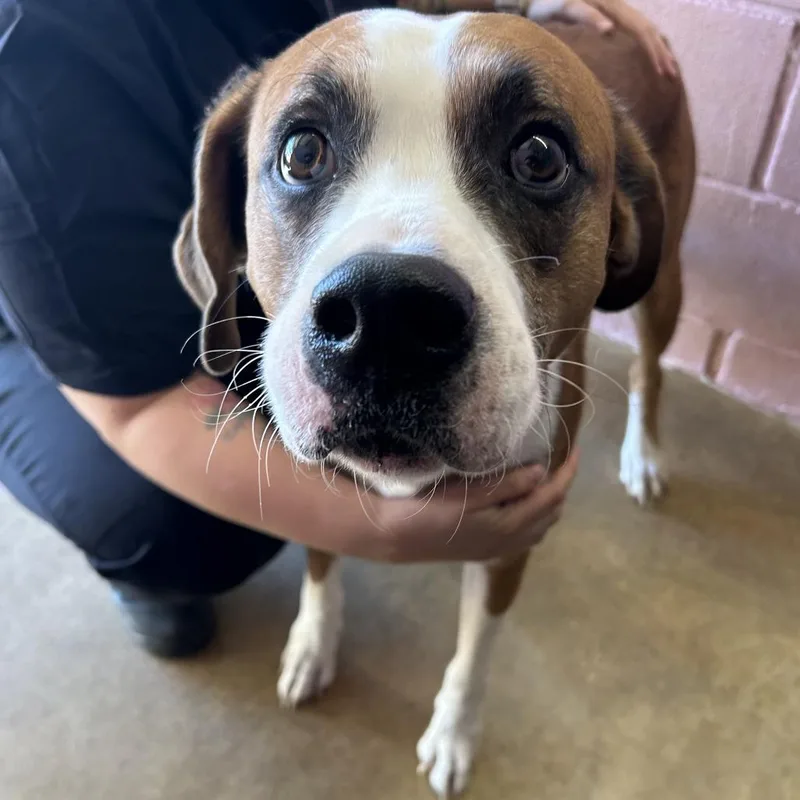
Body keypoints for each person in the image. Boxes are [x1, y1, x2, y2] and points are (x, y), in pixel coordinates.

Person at [0, 0, 668, 659]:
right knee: (169, 520)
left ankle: (650, 393)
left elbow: (433, 44)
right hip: (83, 330)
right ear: (223, 216)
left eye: (538, 160)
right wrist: (373, 528)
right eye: (303, 154)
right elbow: (133, 410)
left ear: (622, 226)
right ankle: (279, 594)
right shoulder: (33, 52)